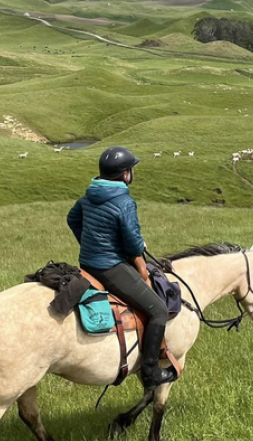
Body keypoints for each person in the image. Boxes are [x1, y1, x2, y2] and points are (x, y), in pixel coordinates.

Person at [66, 146, 177, 389]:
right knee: (157, 310)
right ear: (125, 174)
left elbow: (72, 219)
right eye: (130, 170)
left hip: (87, 263)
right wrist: (140, 267)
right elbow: (132, 241)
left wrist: (90, 244)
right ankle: (150, 372)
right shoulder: (123, 200)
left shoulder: (89, 195)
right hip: (109, 267)